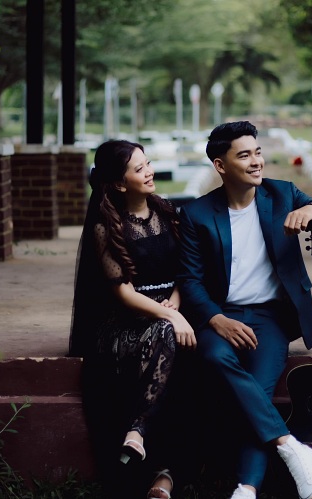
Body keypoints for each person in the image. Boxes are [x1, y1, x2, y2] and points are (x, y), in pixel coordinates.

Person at [176, 121, 312, 499]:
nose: (256, 161)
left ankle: (246, 488)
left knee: (256, 391)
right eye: (244, 155)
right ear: (220, 165)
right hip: (221, 315)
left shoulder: (283, 194)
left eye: (257, 152)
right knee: (214, 356)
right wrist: (217, 319)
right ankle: (293, 451)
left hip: (272, 317)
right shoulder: (197, 214)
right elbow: (190, 281)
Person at [69, 139, 196, 499]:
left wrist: (174, 307)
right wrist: (169, 317)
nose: (150, 172)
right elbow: (123, 293)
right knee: (166, 334)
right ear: (120, 183)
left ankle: (153, 455)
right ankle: (141, 438)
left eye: (148, 163)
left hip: (169, 313)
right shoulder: (105, 227)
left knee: (178, 346)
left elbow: (186, 271)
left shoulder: (169, 212)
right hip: (125, 322)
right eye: (140, 169)